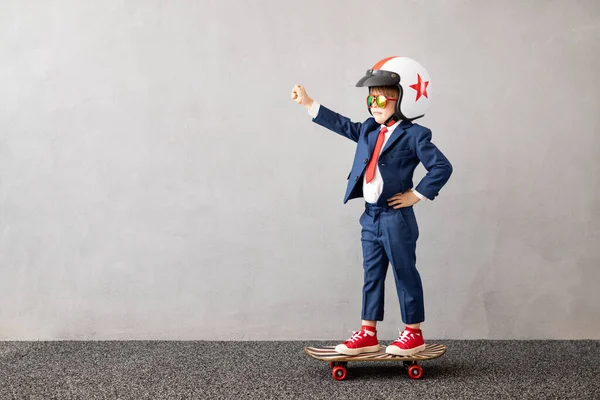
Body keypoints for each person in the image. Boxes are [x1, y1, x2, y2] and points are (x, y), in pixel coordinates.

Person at [291, 56, 453, 356]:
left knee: (404, 273)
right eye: (370, 98)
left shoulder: (415, 135)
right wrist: (309, 103)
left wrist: (416, 194)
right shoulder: (368, 129)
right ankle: (368, 332)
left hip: (396, 217)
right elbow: (341, 125)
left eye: (380, 98)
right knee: (372, 274)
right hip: (371, 217)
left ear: (403, 98)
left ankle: (413, 333)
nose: (373, 104)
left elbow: (441, 167)